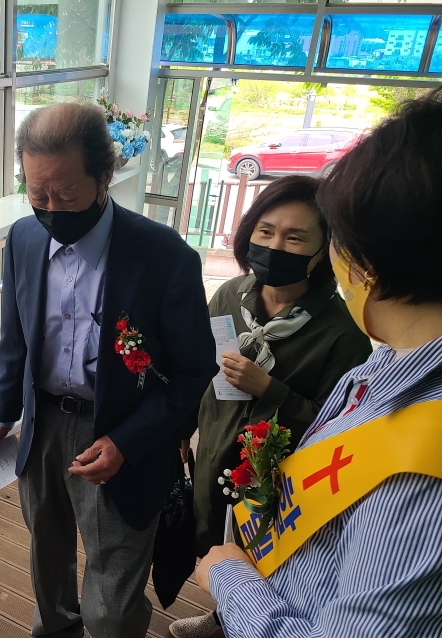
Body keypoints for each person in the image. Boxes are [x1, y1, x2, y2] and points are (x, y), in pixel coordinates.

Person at [196, 90, 442, 637]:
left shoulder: (420, 465)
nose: (275, 247)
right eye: (265, 232)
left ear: (358, 258)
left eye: (310, 238)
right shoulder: (377, 373)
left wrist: (232, 584)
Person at [0, 103, 218, 638]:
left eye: (67, 194)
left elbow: (193, 370)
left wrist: (128, 441)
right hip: (42, 426)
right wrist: (3, 413)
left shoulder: (164, 257)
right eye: (37, 193)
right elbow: (15, 337)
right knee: (47, 558)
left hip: (120, 433)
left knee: (112, 592)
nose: (51, 208)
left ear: (105, 175)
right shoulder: (23, 239)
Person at [169, 176, 371, 638]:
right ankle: (223, 617)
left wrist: (269, 389)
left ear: (324, 250)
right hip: (215, 453)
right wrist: (181, 430)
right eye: (266, 231)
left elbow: (339, 429)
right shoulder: (229, 296)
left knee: (268, 564)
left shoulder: (342, 333)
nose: (275, 246)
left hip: (280, 483)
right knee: (214, 541)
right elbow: (201, 370)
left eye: (295, 238)